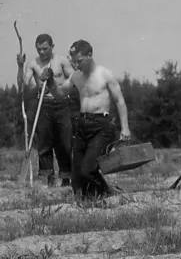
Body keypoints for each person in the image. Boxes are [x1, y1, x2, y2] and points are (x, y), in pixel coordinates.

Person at [62, 40, 131, 200]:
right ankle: (90, 201)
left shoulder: (104, 74)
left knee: (88, 170)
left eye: (80, 61)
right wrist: (50, 81)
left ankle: (109, 194)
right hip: (82, 125)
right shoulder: (76, 76)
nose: (77, 65)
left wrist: (125, 128)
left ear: (90, 55)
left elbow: (120, 101)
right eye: (74, 62)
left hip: (101, 126)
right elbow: (60, 92)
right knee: (77, 179)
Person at [16, 34, 76, 186]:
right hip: (43, 104)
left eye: (45, 49)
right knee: (45, 143)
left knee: (64, 142)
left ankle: (66, 178)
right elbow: (23, 87)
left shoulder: (61, 61)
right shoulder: (33, 64)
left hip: (61, 104)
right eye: (38, 49)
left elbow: (74, 79)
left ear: (52, 46)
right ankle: (49, 179)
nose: (42, 52)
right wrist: (20, 67)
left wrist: (54, 83)